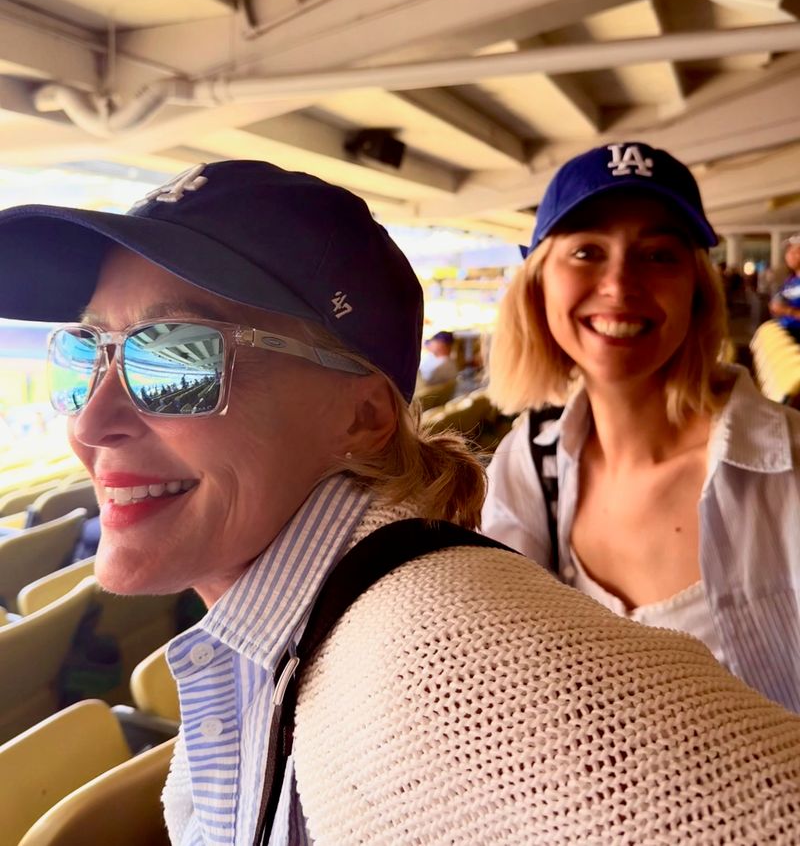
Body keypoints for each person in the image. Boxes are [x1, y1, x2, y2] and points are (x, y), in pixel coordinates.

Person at [1, 159, 800, 845]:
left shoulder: (434, 660)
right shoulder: (301, 644)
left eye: (176, 357)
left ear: (365, 413)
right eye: (86, 355)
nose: (91, 421)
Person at [483, 140, 800, 713]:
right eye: (586, 252)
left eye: (658, 255)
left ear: (698, 293)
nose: (620, 285)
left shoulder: (790, 468)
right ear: (537, 286)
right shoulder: (528, 461)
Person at [769, 233, 800, 343]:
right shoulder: (791, 280)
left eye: (794, 251)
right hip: (787, 334)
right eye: (788, 252)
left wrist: (787, 310)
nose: (788, 256)